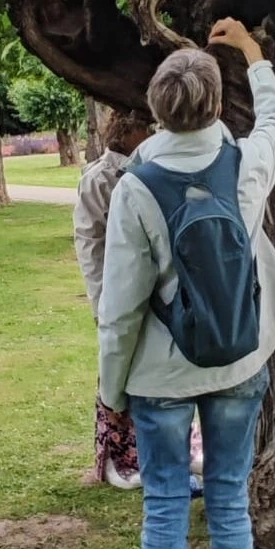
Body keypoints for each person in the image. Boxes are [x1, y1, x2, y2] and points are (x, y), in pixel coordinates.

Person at [99, 19, 275, 549]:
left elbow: (121, 309)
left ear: (154, 112)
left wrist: (112, 394)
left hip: (161, 378)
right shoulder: (245, 164)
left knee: (163, 510)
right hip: (238, 363)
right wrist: (254, 55)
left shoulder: (136, 187)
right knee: (228, 504)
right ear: (217, 107)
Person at [73, 113, 205, 492]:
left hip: (158, 292)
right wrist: (102, 303)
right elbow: (90, 244)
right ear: (127, 131)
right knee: (119, 368)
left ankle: (176, 447)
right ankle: (120, 455)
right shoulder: (100, 179)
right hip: (120, 290)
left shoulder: (157, 168)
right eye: (144, 128)